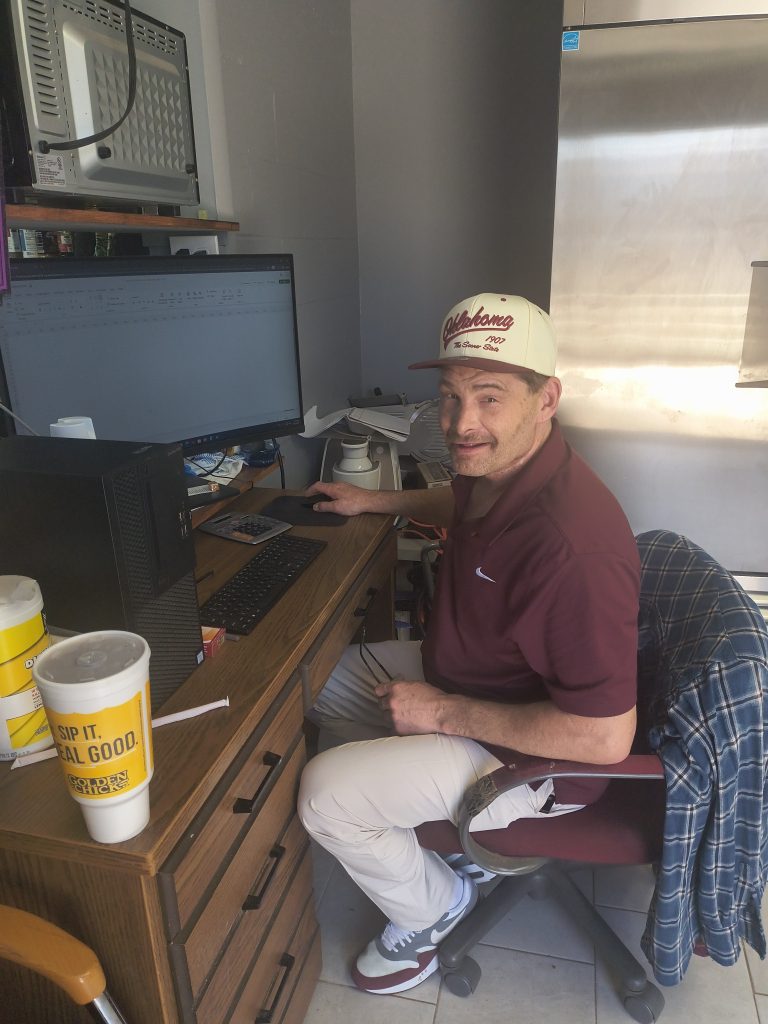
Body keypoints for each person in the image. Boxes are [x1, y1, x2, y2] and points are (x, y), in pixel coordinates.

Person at [298, 292, 640, 996]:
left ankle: (432, 911)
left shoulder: (573, 549)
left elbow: (605, 739)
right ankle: (432, 831)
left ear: (547, 399)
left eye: (489, 397)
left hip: (539, 763)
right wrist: (372, 502)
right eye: (450, 397)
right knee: (318, 681)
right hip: (475, 684)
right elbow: (457, 501)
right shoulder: (504, 470)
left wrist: (442, 713)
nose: (461, 424)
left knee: (324, 796)